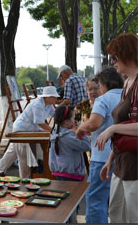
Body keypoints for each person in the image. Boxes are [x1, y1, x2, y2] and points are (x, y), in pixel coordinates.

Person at [95, 33, 138, 223]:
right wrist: (111, 159)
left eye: (115, 57)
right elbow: (122, 124)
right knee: (116, 214)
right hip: (121, 163)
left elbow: (120, 127)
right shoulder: (127, 83)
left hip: (135, 167)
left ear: (127, 54)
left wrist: (112, 130)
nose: (112, 62)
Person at [76, 67, 124, 223]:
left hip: (102, 156)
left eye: (98, 86)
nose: (96, 90)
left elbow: (94, 124)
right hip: (124, 155)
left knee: (96, 198)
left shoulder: (103, 99)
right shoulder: (128, 95)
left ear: (104, 83)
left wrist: (81, 128)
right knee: (118, 201)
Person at [0, 86, 59, 178]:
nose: (56, 99)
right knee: (24, 156)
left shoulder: (48, 104)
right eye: (54, 97)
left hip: (29, 129)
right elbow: (40, 123)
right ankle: (24, 180)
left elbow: (56, 114)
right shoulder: (37, 105)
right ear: (48, 97)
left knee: (12, 152)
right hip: (21, 130)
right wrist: (54, 131)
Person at [49, 105, 90, 181]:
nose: (75, 121)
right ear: (67, 121)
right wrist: (82, 131)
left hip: (59, 171)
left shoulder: (55, 132)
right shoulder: (67, 137)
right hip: (71, 174)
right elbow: (87, 146)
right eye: (73, 118)